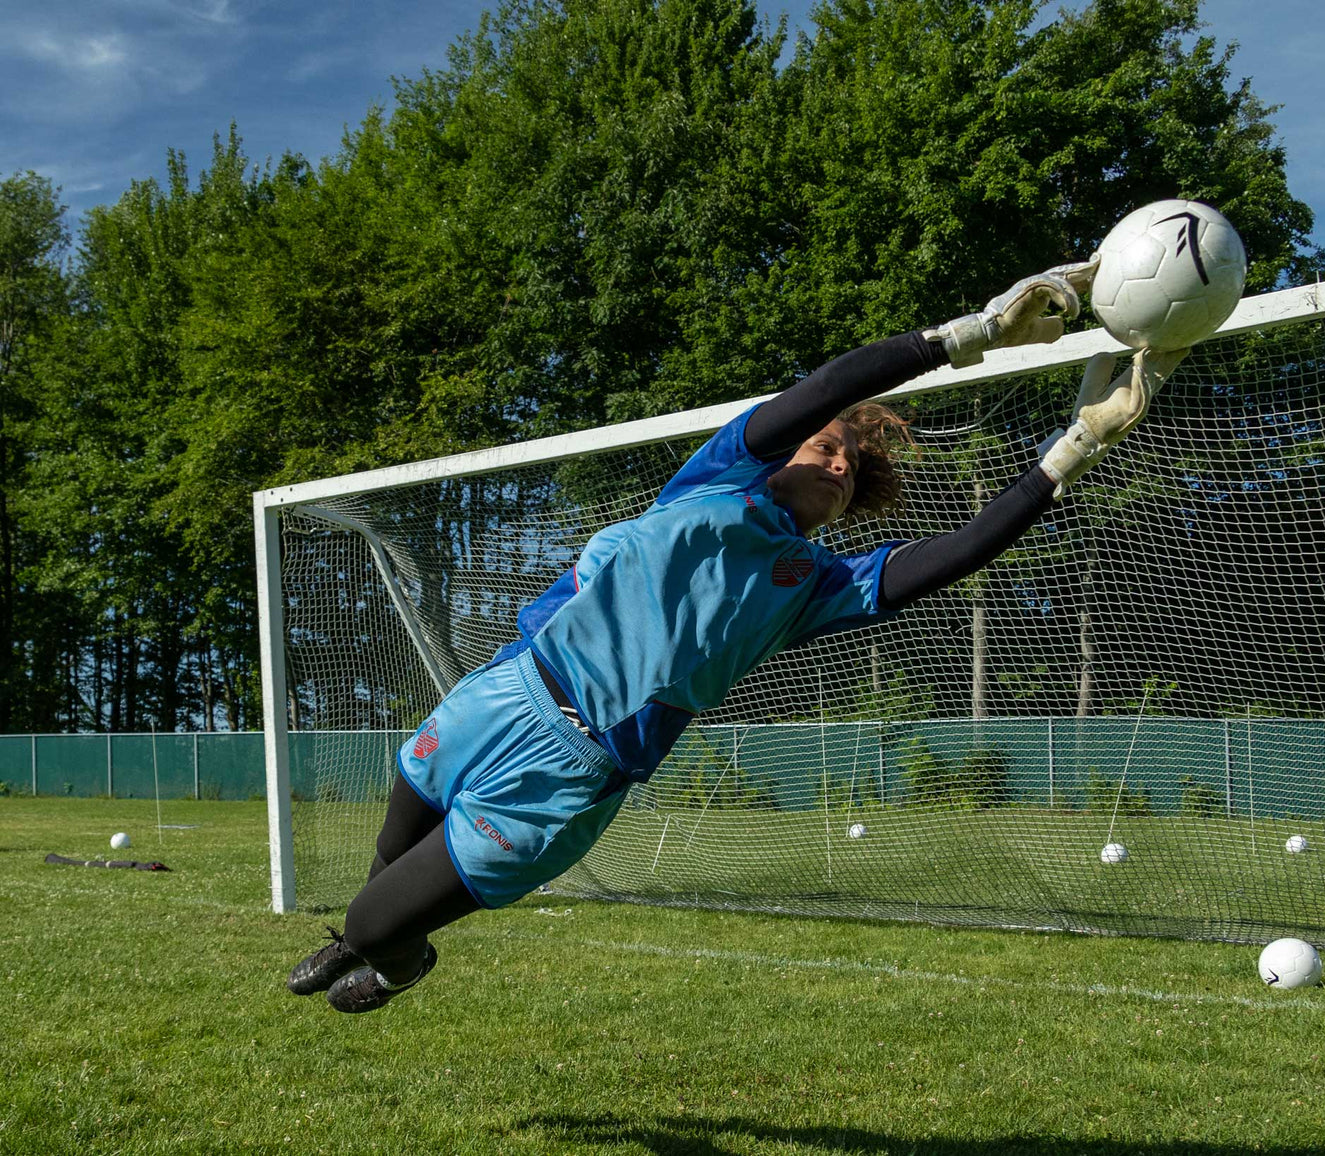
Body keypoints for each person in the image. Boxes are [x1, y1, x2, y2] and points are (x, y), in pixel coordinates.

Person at [286, 259, 1183, 1013]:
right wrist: (970, 336)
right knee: (386, 858)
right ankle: (380, 939)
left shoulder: (819, 586)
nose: (835, 462)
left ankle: (395, 959)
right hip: (505, 691)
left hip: (574, 770)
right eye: (824, 448)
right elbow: (835, 385)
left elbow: (960, 550)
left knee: (376, 920)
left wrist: (1069, 452)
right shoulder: (716, 476)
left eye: (849, 468)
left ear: (851, 500)